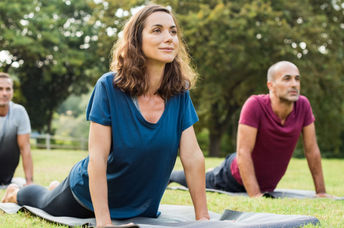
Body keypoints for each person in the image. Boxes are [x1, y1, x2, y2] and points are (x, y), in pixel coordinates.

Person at [1, 5, 210, 227]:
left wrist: (203, 218)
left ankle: (54, 186)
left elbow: (192, 157)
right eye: (157, 30)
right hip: (86, 199)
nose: (169, 38)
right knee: (42, 200)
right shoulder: (109, 87)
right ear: (136, 40)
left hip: (140, 205)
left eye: (173, 31)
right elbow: (97, 159)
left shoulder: (179, 93)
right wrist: (103, 222)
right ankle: (16, 192)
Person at [170, 61, 331, 198]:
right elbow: (243, 153)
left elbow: (312, 150)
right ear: (271, 85)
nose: (294, 84)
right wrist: (255, 195)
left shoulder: (303, 105)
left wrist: (321, 192)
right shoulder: (255, 105)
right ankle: (170, 175)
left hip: (266, 185)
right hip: (232, 177)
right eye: (287, 79)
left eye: (297, 79)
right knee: (199, 179)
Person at [0, 72, 33, 186]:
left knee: (21, 185)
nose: (4, 93)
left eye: (8, 89)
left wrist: (29, 182)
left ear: (12, 91)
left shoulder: (19, 112)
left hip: (7, 179)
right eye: (0, 89)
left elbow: (25, 148)